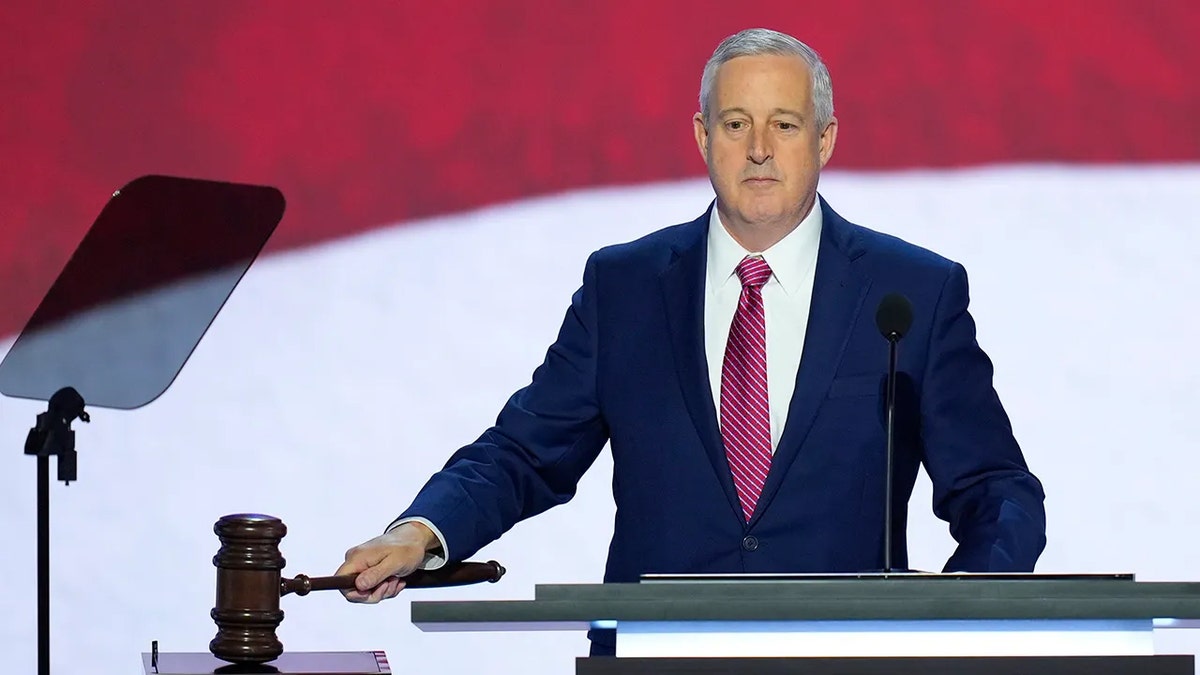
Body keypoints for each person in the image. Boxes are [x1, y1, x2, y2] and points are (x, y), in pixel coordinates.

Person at [336, 27, 1046, 654]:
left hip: (845, 657)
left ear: (825, 138)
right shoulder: (625, 287)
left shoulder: (912, 292)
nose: (760, 149)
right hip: (653, 653)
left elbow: (995, 487)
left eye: (786, 125)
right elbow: (523, 453)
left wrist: (954, 617)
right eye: (736, 124)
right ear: (703, 136)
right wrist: (423, 531)